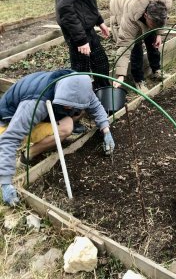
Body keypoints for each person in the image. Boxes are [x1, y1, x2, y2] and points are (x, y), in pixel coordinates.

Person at [0, 70, 115, 207]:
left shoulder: (78, 84)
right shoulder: (36, 103)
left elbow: (95, 106)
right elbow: (10, 138)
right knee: (66, 127)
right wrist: (5, 182)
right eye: (66, 104)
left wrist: (106, 130)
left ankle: (48, 135)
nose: (69, 107)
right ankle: (28, 155)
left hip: (41, 112)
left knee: (78, 113)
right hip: (8, 122)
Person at [109, 0, 173, 92]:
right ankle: (139, 80)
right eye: (152, 25)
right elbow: (125, 45)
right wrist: (120, 75)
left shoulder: (165, 3)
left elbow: (161, 22)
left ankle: (156, 70)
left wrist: (158, 34)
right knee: (135, 48)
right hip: (120, 3)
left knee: (153, 40)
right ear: (145, 15)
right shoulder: (130, 16)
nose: (153, 27)